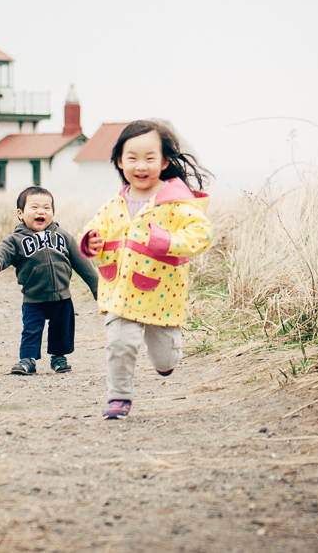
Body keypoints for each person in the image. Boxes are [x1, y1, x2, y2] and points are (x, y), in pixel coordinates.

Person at [80, 120, 213, 419]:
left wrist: (166, 241)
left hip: (162, 294)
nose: (141, 165)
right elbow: (92, 230)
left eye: (150, 158)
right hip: (120, 291)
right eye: (132, 157)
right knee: (120, 342)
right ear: (119, 161)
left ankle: (167, 360)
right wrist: (91, 242)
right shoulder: (114, 204)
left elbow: (201, 234)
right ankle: (118, 397)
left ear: (165, 161)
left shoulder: (176, 202)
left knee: (164, 355)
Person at [0, 186, 98, 374]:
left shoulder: (63, 236)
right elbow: (3, 252)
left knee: (62, 329)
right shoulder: (16, 240)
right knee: (31, 329)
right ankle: (27, 360)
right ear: (20, 213)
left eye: (47, 208)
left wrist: (97, 288)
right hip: (33, 298)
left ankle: (59, 358)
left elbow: (82, 262)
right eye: (35, 207)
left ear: (53, 212)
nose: (41, 212)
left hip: (62, 297)